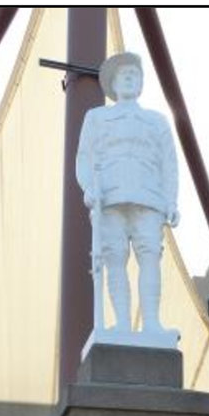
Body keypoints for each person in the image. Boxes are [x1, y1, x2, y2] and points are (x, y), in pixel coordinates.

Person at [76, 52, 180, 349]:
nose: (132, 78)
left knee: (150, 257)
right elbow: (84, 157)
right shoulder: (96, 118)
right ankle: (121, 322)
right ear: (114, 82)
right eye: (126, 74)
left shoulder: (157, 121)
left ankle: (151, 323)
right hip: (110, 196)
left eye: (137, 74)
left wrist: (171, 201)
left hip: (149, 198)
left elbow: (168, 164)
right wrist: (89, 189)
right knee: (115, 259)